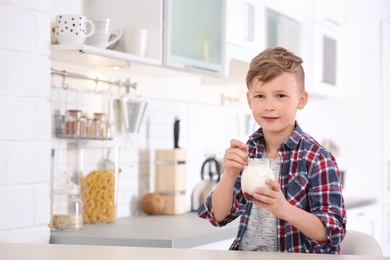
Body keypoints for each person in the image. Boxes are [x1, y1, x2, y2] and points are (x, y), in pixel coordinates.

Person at [197, 47, 347, 253]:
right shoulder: (248, 152)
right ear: (249, 100)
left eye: (280, 95)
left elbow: (333, 231)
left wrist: (286, 210)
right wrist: (229, 174)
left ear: (301, 100)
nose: (269, 106)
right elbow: (218, 215)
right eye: (260, 96)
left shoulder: (317, 158)